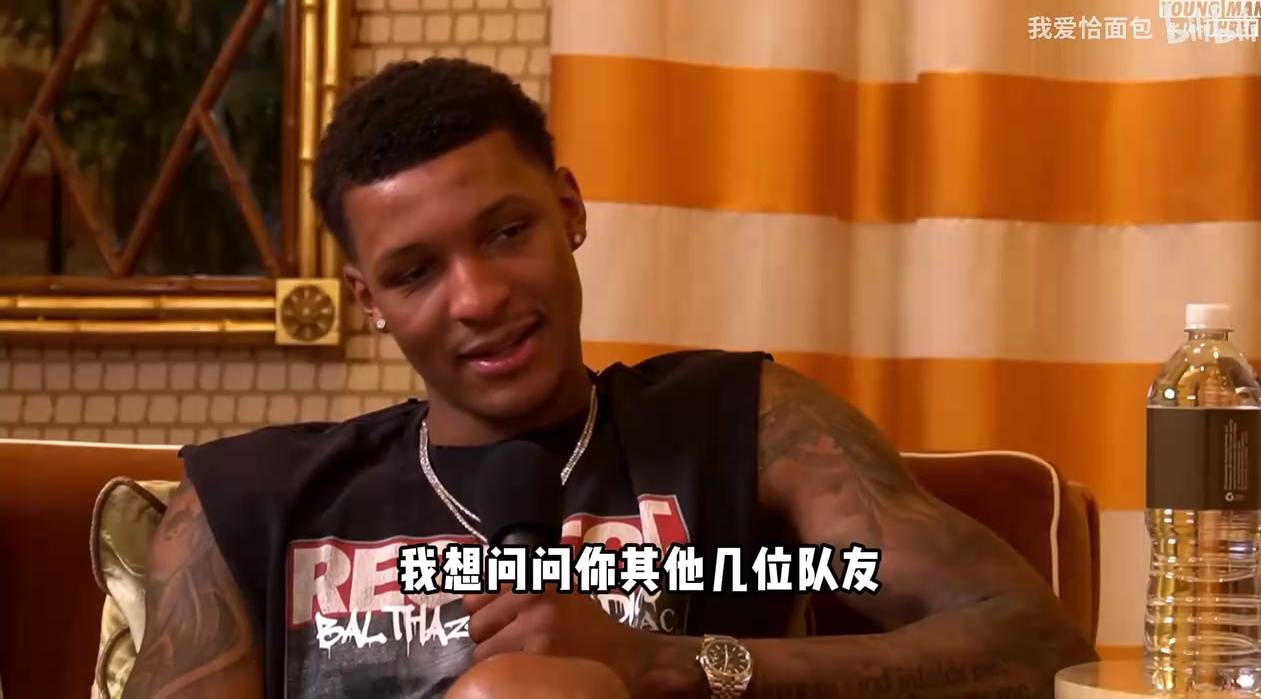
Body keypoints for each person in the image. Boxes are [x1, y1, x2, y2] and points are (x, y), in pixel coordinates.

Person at [120, 58, 1098, 699]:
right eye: (416, 273)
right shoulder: (245, 501)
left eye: (507, 231)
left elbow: (1033, 645)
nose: (478, 298)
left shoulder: (734, 422)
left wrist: (666, 665)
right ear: (367, 298)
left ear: (570, 210)